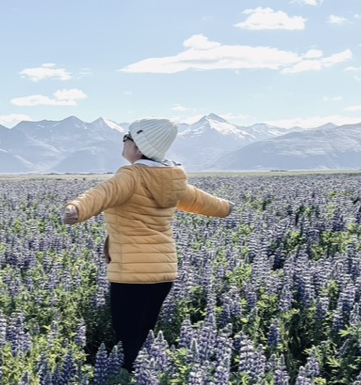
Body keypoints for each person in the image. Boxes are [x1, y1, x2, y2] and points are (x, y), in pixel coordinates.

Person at [62, 117, 233, 371]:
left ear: (139, 147)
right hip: (163, 273)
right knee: (143, 335)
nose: (124, 142)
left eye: (127, 138)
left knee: (128, 342)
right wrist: (227, 207)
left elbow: (102, 194)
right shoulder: (170, 180)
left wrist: (76, 209)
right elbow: (202, 201)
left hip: (131, 273)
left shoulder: (131, 176)